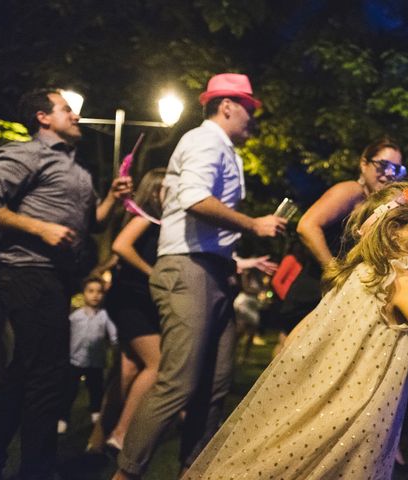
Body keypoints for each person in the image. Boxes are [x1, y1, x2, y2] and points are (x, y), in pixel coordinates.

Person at [182, 180, 408, 480]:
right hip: (362, 420)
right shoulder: (405, 281)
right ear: (393, 231)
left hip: (322, 412)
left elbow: (296, 337)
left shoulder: (357, 276)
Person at [113, 73, 287, 480]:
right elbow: (193, 199)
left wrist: (233, 263)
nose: (252, 118)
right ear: (226, 106)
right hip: (188, 268)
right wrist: (253, 224)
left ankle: (193, 471)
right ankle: (125, 473)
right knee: (178, 384)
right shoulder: (205, 140)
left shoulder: (222, 147)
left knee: (213, 386)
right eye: (248, 108)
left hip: (213, 270)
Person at [0, 88, 132, 480]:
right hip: (24, 274)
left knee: (23, 375)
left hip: (55, 281)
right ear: (42, 117)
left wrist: (113, 199)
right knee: (46, 378)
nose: (76, 116)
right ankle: (36, 469)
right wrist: (39, 227)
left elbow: (94, 223)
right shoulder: (25, 155)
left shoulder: (78, 170)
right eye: (66, 109)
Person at [276, 138, 404, 352]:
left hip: (336, 293)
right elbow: (307, 226)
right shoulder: (352, 190)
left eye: (397, 169)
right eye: (382, 165)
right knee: (289, 361)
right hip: (315, 289)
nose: (390, 173)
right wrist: (335, 272)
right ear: (364, 164)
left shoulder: (377, 204)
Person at [101, 168, 166, 452]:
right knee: (157, 364)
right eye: (169, 188)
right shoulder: (146, 217)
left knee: (128, 370)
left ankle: (97, 439)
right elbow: (121, 246)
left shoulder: (161, 222)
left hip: (141, 301)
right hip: (130, 298)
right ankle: (121, 433)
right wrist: (152, 273)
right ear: (154, 192)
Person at [58, 276, 117, 434]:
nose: (95, 295)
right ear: (84, 293)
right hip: (74, 360)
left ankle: (96, 413)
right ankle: (63, 417)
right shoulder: (75, 316)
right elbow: (65, 334)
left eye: (99, 291)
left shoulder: (104, 316)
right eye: (91, 291)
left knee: (96, 388)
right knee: (69, 390)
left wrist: (116, 344)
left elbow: (114, 335)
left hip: (95, 362)